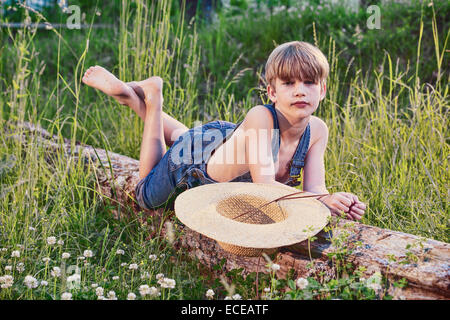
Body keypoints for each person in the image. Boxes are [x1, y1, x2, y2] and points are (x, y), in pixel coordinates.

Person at [82, 41, 366, 220]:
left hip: (222, 141)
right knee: (145, 196)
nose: (300, 91)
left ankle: (131, 98)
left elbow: (315, 190)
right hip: (194, 165)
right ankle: (153, 98)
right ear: (271, 92)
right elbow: (265, 185)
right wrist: (320, 200)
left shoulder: (317, 130)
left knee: (187, 136)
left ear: (323, 90)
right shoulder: (261, 116)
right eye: (289, 84)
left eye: (309, 83)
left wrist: (335, 203)